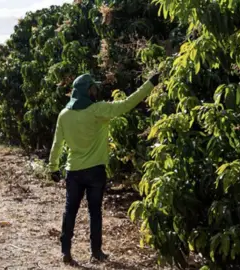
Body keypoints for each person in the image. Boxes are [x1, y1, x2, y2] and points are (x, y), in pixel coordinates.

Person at [48, 72, 160, 265]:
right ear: (87, 90)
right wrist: (151, 84)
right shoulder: (98, 110)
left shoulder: (64, 115)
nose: (96, 91)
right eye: (93, 88)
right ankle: (96, 252)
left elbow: (57, 144)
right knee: (95, 212)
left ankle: (65, 252)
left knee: (70, 210)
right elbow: (127, 103)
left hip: (73, 171)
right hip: (95, 172)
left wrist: (53, 168)